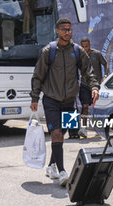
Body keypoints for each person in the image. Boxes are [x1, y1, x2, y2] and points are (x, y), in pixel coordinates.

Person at [30, 18, 100, 186]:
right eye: (64, 29)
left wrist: (94, 87)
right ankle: (62, 171)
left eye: (69, 29)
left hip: (69, 101)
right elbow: (38, 75)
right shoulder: (49, 51)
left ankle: (51, 167)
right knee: (56, 133)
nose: (67, 32)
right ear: (57, 31)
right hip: (51, 100)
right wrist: (34, 97)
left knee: (61, 135)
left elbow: (88, 71)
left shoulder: (77, 51)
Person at [77, 37, 108, 138]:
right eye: (83, 47)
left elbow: (105, 64)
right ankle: (83, 128)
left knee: (96, 108)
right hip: (85, 84)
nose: (85, 48)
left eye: (86, 46)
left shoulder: (97, 54)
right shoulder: (79, 55)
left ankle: (98, 129)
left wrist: (105, 76)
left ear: (90, 45)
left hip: (96, 85)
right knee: (85, 106)